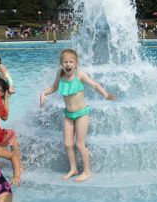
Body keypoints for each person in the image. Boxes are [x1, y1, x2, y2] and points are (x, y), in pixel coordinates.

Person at [39, 49, 116, 182]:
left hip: (81, 114)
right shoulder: (60, 74)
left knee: (80, 145)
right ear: (61, 64)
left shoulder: (79, 75)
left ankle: (87, 171)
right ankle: (73, 168)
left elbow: (94, 85)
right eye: (65, 62)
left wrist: (106, 95)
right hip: (68, 115)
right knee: (68, 144)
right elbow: (54, 87)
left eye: (71, 62)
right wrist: (43, 93)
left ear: (76, 64)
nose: (68, 64)